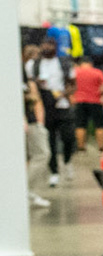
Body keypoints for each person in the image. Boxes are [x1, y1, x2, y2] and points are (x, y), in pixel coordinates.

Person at [29, 43, 75, 185]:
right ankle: (54, 171)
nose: (47, 49)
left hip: (62, 103)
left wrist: (64, 94)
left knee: (68, 136)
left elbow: (72, 83)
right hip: (45, 105)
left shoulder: (64, 64)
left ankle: (67, 160)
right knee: (50, 139)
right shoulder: (34, 65)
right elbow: (30, 85)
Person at [21, 72, 50, 208]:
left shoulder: (26, 79)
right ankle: (25, 191)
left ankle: (27, 191)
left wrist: (39, 122)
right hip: (24, 123)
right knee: (40, 155)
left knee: (41, 154)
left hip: (32, 123)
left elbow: (36, 99)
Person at [71, 54, 103, 151]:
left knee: (80, 125)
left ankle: (81, 146)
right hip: (95, 101)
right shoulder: (98, 72)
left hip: (79, 101)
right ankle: (101, 146)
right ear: (91, 63)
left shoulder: (75, 72)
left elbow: (71, 85)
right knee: (99, 124)